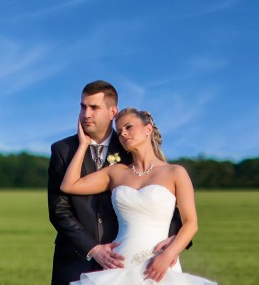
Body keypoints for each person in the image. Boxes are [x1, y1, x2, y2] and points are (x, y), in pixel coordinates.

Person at [47, 81, 184, 285]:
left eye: (94, 107)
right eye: (83, 107)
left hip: (127, 261)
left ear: (112, 112)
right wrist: (93, 248)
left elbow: (165, 200)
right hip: (76, 258)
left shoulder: (132, 146)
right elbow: (59, 210)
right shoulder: (63, 150)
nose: (86, 114)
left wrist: (176, 241)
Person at [59, 107, 215, 284]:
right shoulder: (116, 173)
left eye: (129, 127)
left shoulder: (175, 172)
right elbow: (69, 185)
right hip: (120, 265)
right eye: (119, 132)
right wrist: (83, 144)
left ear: (148, 129)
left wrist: (168, 255)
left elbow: (191, 223)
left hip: (160, 265)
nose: (123, 134)